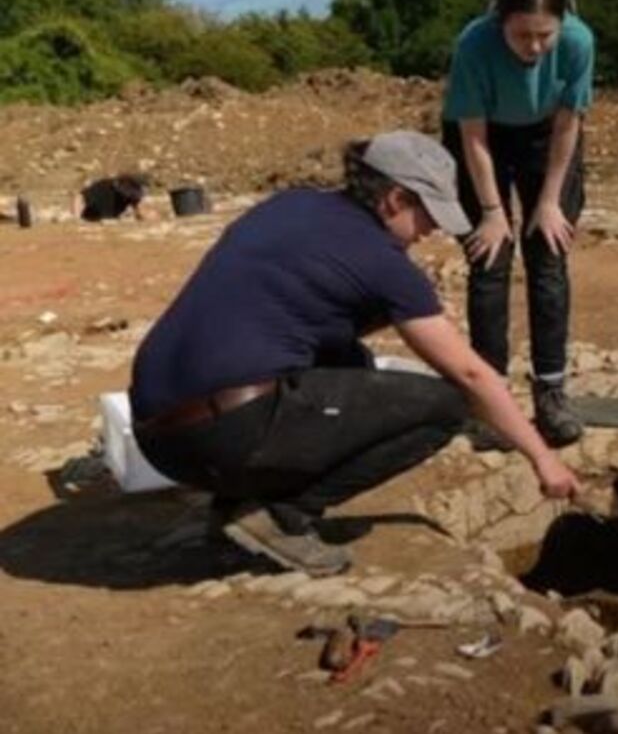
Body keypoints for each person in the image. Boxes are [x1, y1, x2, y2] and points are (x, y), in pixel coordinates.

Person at [129, 133, 580, 576]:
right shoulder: (382, 261)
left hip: (156, 437)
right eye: (428, 215)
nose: (431, 230)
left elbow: (305, 315)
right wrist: (543, 459)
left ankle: (237, 501)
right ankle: (282, 515)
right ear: (395, 199)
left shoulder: (290, 206)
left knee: (353, 364)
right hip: (224, 433)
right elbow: (470, 375)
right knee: (445, 406)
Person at [443, 0, 595, 448]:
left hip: (546, 136)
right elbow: (472, 133)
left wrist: (549, 201)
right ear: (499, 23)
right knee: (489, 259)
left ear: (560, 25)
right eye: (521, 35)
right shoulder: (474, 44)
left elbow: (569, 124)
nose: (534, 48)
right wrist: (491, 211)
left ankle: (551, 393)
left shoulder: (576, 42)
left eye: (543, 35)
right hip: (482, 138)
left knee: (548, 256)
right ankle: (491, 402)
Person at [73, 173, 150, 222]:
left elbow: (140, 211)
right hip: (93, 219)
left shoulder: (130, 194)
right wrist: (77, 218)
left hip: (110, 222)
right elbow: (80, 197)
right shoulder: (103, 187)